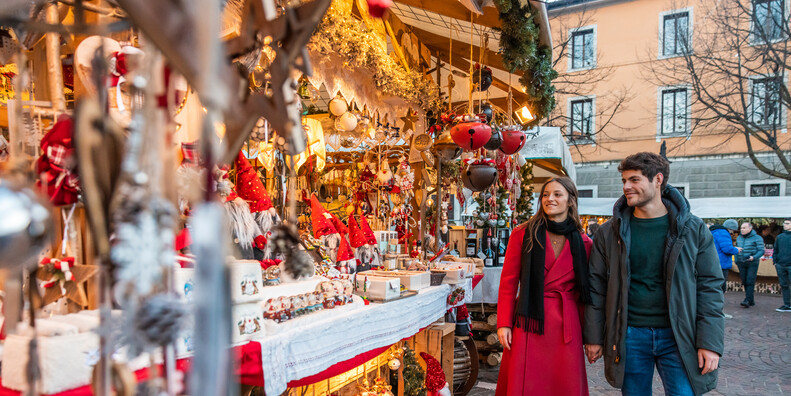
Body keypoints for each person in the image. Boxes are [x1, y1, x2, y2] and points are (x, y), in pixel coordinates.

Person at [583, 152, 724, 396]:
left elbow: (710, 287)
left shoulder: (693, 229)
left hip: (679, 336)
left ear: (658, 179)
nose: (627, 186)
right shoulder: (608, 233)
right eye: (624, 180)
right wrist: (594, 337)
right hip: (629, 334)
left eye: (635, 180)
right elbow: (597, 288)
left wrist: (709, 343)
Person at [495, 177, 592, 395]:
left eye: (557, 194)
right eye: (546, 194)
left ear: (570, 201)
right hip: (528, 321)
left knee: (563, 384)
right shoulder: (523, 234)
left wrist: (591, 337)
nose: (550, 199)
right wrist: (503, 323)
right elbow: (509, 283)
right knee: (528, 383)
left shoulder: (585, 243)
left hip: (567, 324)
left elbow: (586, 294)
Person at [710, 219, 741, 319]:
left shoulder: (714, 231)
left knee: (714, 288)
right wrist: (736, 250)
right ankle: (718, 311)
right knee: (720, 288)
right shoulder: (723, 233)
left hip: (713, 263)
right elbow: (727, 249)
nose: (733, 233)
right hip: (721, 264)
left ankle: (713, 310)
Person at [735, 222, 765, 308]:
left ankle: (747, 300)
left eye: (744, 228)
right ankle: (751, 300)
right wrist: (737, 260)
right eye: (741, 228)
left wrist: (754, 257)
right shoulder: (739, 238)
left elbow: (761, 250)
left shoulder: (757, 238)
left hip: (752, 262)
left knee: (750, 281)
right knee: (744, 281)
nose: (742, 230)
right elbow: (736, 249)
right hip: (741, 262)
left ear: (750, 228)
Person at [774, 218, 791, 312]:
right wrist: (775, 261)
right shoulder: (780, 237)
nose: (784, 225)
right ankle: (787, 304)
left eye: (787, 223)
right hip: (781, 264)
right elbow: (775, 249)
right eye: (784, 223)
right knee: (784, 285)